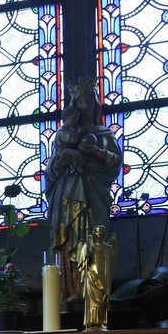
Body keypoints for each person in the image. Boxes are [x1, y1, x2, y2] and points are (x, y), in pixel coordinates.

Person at [46, 83, 121, 299]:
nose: (85, 105)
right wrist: (60, 164)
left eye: (89, 100)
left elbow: (116, 161)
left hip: (93, 192)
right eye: (80, 101)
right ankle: (70, 291)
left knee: (95, 237)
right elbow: (51, 169)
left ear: (96, 103)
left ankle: (93, 294)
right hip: (66, 193)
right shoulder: (63, 135)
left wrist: (95, 151)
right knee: (68, 239)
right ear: (74, 106)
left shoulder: (104, 134)